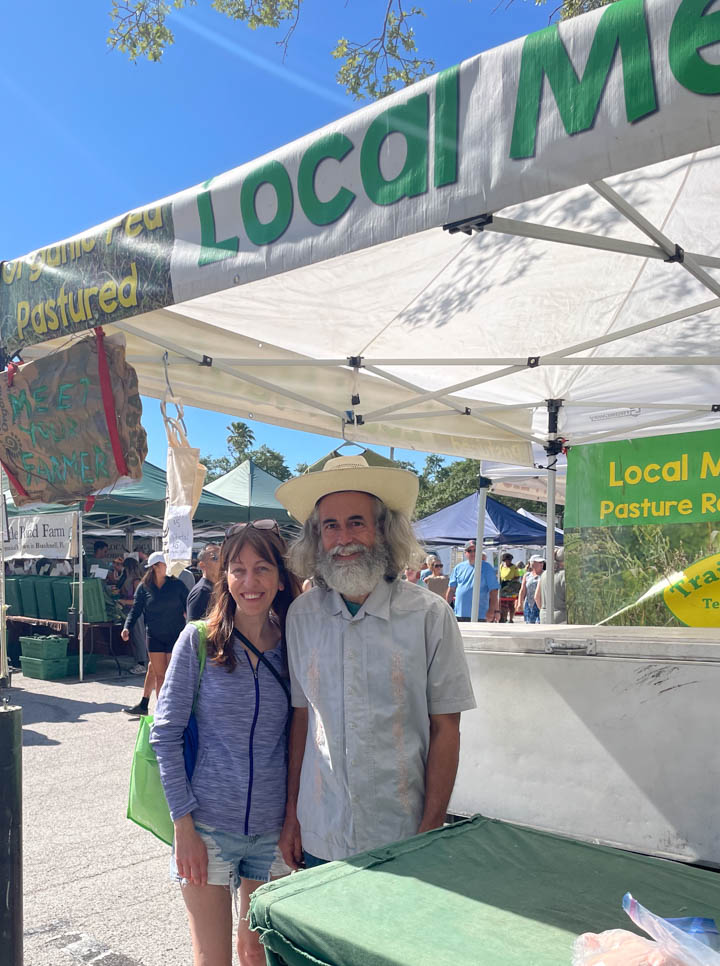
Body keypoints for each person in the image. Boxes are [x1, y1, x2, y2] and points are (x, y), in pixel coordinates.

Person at [275, 453, 476, 867]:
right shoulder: (302, 616)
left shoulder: (429, 615)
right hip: (320, 832)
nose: (343, 538)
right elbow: (301, 719)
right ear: (317, 537)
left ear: (383, 532)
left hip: (401, 835)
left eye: (356, 522)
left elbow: (447, 729)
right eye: (331, 525)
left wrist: (431, 828)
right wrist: (293, 816)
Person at [150, 521, 301, 966]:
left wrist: (294, 819)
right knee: (211, 958)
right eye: (238, 570)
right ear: (224, 576)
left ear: (279, 576)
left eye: (262, 569)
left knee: (257, 954)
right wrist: (183, 827)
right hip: (207, 828)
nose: (249, 582)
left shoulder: (296, 644)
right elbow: (166, 734)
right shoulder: (198, 640)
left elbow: (300, 737)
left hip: (273, 832)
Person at [120, 551, 189, 713]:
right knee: (160, 675)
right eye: (167, 564)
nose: (170, 567)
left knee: (170, 675)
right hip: (154, 636)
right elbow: (135, 610)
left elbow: (189, 607)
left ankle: (168, 709)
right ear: (156, 567)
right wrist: (126, 627)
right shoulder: (144, 588)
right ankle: (161, 711)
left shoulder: (177, 585)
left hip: (175, 635)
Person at [445, 542, 500, 622]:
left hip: (480, 614)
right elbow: (451, 589)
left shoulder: (487, 568)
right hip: (459, 614)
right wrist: (446, 608)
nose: (472, 553)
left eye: (475, 550)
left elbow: (494, 591)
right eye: (469, 550)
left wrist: (492, 610)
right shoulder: (458, 567)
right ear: (465, 553)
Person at [186, 544, 221, 620]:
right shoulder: (202, 592)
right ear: (202, 565)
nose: (221, 561)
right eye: (215, 558)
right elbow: (194, 627)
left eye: (223, 557)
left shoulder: (221, 588)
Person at [536, 547, 567, 624]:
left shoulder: (545, 573)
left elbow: (536, 597)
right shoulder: (565, 575)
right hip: (561, 618)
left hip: (544, 617)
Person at [517, 555, 544, 624]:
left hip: (541, 603)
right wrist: (520, 603)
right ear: (533, 564)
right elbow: (522, 590)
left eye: (542, 562)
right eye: (539, 562)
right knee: (528, 623)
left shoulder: (545, 574)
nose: (541, 564)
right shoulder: (527, 575)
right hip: (529, 604)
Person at [498, 552, 522, 623]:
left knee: (511, 604)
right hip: (503, 586)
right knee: (503, 604)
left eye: (510, 560)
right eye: (507, 560)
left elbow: (517, 576)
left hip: (511, 587)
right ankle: (503, 618)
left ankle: (511, 619)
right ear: (504, 560)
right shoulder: (501, 566)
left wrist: (511, 581)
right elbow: (499, 575)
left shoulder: (514, 567)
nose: (509, 562)